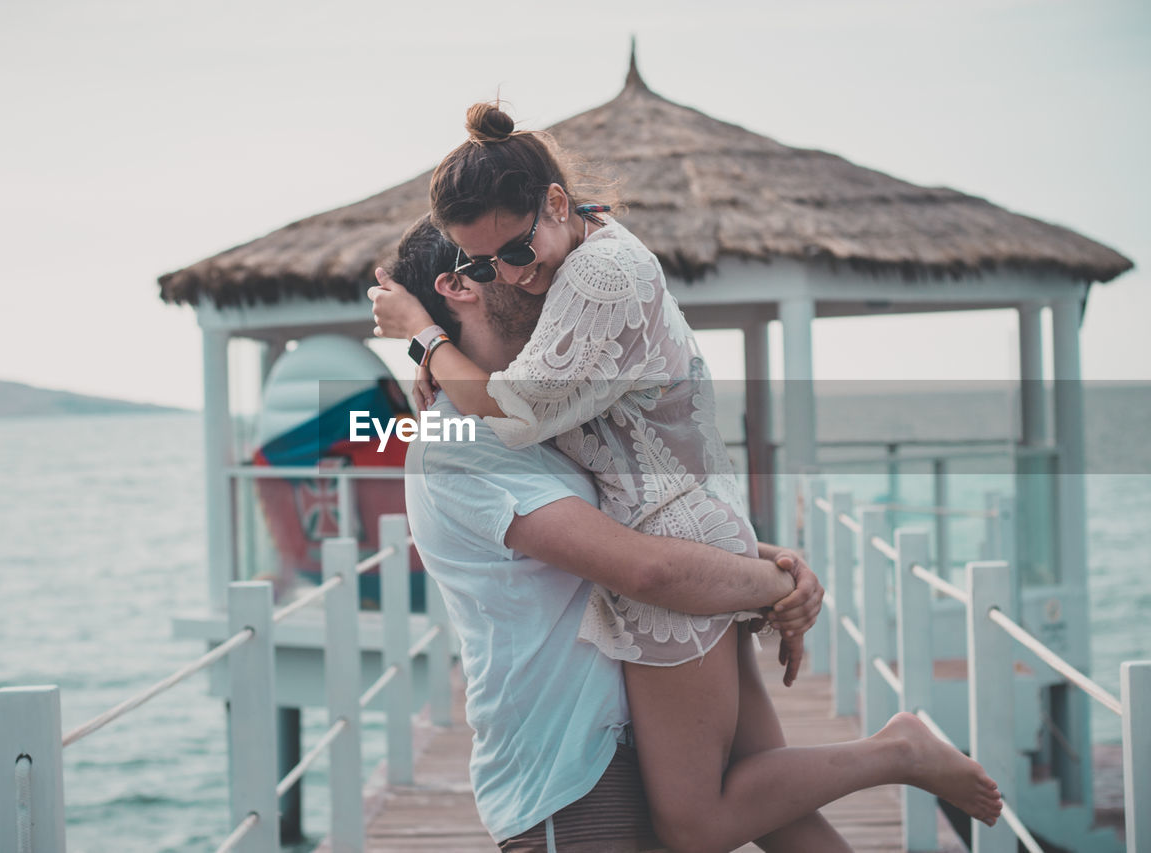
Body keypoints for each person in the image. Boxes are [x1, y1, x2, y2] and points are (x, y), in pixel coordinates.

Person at [370, 102, 1002, 852]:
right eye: (491, 263)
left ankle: (897, 750)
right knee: (767, 791)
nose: (519, 275)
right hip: (673, 557)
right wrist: (760, 568)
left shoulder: (593, 281)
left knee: (698, 822)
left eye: (511, 252)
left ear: (557, 204)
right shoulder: (476, 419)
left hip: (669, 550)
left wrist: (426, 340)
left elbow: (627, 538)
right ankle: (897, 749)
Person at [391, 215, 824, 851]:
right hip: (572, 774)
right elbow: (642, 568)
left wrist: (768, 561)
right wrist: (771, 583)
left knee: (790, 826)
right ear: (462, 285)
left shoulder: (549, 408)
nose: (543, 277)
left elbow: (620, 524)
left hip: (639, 725)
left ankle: (904, 753)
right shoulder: (456, 441)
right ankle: (900, 753)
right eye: (513, 261)